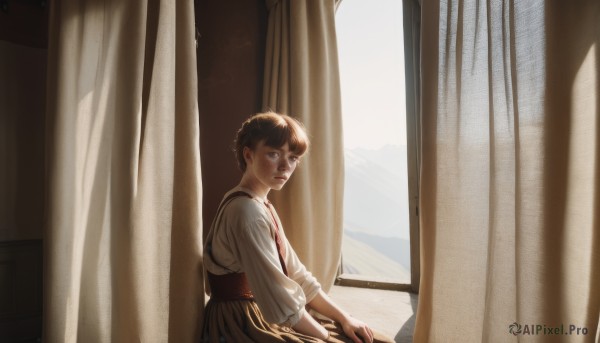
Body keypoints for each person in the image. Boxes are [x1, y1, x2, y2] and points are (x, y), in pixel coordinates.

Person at [200, 112, 394, 343]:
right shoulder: (246, 212)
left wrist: (345, 318)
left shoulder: (260, 205)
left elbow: (297, 275)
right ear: (248, 154)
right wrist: (326, 337)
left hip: (266, 310)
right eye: (273, 154)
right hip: (241, 320)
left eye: (293, 158)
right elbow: (279, 300)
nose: (285, 166)